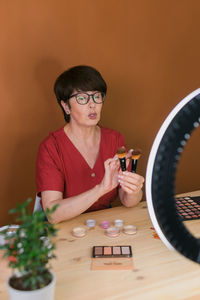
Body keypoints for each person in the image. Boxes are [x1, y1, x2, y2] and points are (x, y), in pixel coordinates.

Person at [36, 65, 144, 224]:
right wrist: (101, 189)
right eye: (82, 98)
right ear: (66, 106)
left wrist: (134, 190)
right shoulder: (51, 147)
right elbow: (53, 214)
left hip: (102, 226)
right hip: (64, 231)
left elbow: (127, 200)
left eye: (96, 96)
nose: (92, 104)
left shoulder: (114, 139)